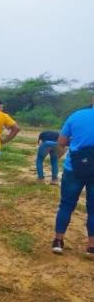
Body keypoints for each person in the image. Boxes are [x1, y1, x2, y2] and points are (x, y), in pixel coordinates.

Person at [51, 100, 94, 255]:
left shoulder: (77, 115)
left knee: (66, 205)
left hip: (74, 168)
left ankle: (58, 241)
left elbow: (61, 142)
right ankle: (91, 247)